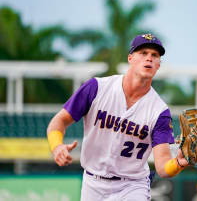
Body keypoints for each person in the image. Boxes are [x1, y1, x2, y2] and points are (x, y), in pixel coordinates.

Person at [46, 33, 189, 201]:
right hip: (92, 183)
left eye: (155, 55)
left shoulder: (159, 111)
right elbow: (58, 121)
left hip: (132, 186)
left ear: (158, 65)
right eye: (143, 53)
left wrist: (177, 163)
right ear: (130, 58)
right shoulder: (97, 88)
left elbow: (162, 166)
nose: (149, 58)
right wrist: (56, 146)